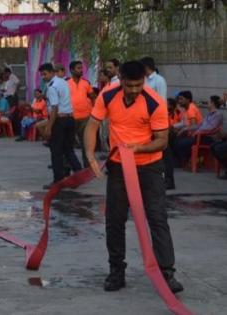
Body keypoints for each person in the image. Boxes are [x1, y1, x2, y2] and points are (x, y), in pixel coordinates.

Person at [84, 60, 183, 294]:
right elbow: (91, 126)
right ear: (121, 80)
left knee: (157, 218)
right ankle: (116, 271)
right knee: (114, 219)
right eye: (130, 85)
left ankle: (167, 273)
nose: (134, 90)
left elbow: (162, 140)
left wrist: (137, 148)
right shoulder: (108, 96)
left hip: (149, 167)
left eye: (139, 85)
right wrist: (90, 156)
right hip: (118, 167)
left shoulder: (154, 102)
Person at [39, 63, 81, 189]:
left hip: (59, 120)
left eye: (45, 74)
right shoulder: (63, 82)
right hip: (70, 119)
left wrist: (48, 127)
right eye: (42, 75)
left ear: (52, 72)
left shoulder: (52, 87)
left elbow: (54, 108)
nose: (43, 77)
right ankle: (79, 173)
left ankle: (58, 180)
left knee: (56, 151)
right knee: (68, 149)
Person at [174, 95, 224, 166]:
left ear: (212, 103)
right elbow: (199, 125)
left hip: (208, 138)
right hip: (200, 136)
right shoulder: (209, 115)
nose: (207, 104)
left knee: (181, 143)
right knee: (178, 141)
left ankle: (184, 162)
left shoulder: (218, 115)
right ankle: (184, 161)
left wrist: (197, 132)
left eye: (209, 102)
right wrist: (185, 129)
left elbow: (211, 128)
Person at [67, 60, 96, 167]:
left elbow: (93, 96)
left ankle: (87, 166)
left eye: (81, 68)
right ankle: (69, 165)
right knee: (69, 143)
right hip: (71, 117)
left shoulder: (86, 83)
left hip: (85, 118)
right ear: (71, 70)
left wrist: (94, 111)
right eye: (78, 68)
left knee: (86, 143)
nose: (81, 70)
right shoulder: (66, 83)